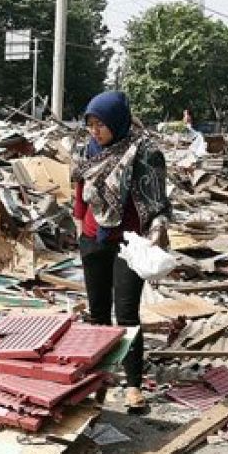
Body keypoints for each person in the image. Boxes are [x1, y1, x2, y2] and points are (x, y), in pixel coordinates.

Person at [71, 91, 171, 411]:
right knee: (98, 313)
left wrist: (157, 230)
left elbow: (157, 201)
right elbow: (79, 191)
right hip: (93, 240)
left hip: (129, 244)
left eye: (101, 124)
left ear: (117, 121)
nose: (95, 130)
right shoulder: (88, 149)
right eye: (90, 123)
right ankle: (100, 378)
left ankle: (133, 386)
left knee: (126, 314)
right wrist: (78, 229)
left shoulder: (145, 154)